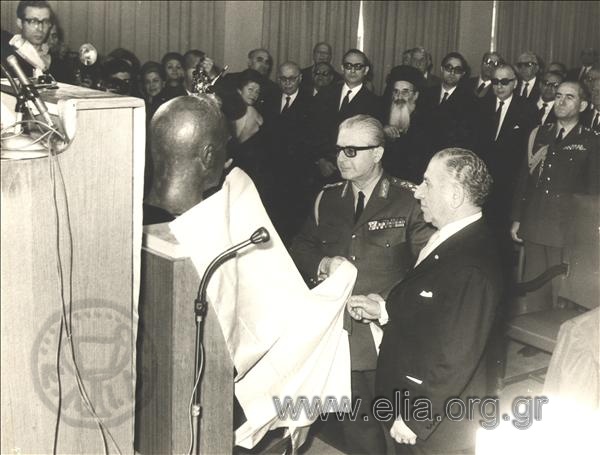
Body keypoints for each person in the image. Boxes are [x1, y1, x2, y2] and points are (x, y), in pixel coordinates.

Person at [290, 114, 433, 455]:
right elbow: (300, 247)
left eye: (352, 151)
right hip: (341, 337)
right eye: (339, 149)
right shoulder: (327, 198)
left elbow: (428, 269)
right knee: (358, 429)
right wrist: (324, 264)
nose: (341, 158)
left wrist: (384, 303)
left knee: (400, 430)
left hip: (391, 335)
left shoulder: (410, 199)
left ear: (378, 153)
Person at [349, 148, 502, 454]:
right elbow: (435, 312)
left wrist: (417, 417)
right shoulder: (448, 237)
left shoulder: (471, 262)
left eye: (427, 183)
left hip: (435, 424)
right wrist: (383, 309)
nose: (418, 192)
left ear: (455, 195)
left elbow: (456, 355)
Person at [511, 81, 599, 313]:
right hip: (536, 220)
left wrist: (589, 233)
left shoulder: (591, 141)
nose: (561, 101)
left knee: (562, 289)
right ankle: (533, 332)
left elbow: (593, 192)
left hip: (567, 227)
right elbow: (524, 179)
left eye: (569, 97)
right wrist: (517, 218)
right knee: (534, 283)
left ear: (583, 105)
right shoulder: (540, 133)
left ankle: (557, 338)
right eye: (559, 96)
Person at [143, 95, 230, 225]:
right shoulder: (206, 229)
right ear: (209, 157)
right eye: (224, 146)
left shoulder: (130, 217)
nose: (226, 160)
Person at [311, 49, 382, 184]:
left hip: (352, 169)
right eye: (348, 66)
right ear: (342, 68)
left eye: (358, 66)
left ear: (366, 70)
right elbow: (313, 129)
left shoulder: (374, 103)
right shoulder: (324, 94)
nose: (353, 70)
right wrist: (319, 160)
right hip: (319, 166)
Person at [262, 61, 313, 244]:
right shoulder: (269, 100)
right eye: (283, 78)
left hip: (296, 177)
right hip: (271, 174)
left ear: (300, 78)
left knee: (291, 226)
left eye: (292, 78)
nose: (288, 83)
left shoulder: (311, 103)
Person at [381, 65, 434, 183]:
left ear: (415, 95)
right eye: (396, 91)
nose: (399, 97)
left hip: (412, 180)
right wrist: (383, 133)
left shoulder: (427, 121)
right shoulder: (384, 116)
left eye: (405, 92)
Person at [1, 0, 54, 78]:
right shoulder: (6, 57)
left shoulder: (60, 58)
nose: (40, 28)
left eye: (45, 21)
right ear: (20, 23)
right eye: (33, 21)